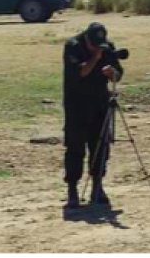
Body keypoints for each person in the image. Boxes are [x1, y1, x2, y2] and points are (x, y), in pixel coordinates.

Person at [62, 22, 124, 208]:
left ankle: (97, 186)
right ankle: (72, 190)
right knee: (75, 148)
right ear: (87, 38)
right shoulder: (73, 46)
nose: (98, 48)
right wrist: (95, 58)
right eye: (94, 45)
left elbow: (118, 74)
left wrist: (112, 73)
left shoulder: (107, 47)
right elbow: (80, 72)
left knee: (100, 146)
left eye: (100, 45)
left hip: (100, 103)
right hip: (77, 105)